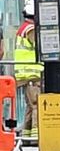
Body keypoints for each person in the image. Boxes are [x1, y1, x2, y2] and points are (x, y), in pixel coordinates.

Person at [15, 12, 40, 140]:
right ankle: (37, 135)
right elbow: (39, 47)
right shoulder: (31, 29)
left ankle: (27, 135)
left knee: (30, 107)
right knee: (37, 105)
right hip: (32, 74)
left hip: (26, 74)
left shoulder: (22, 28)